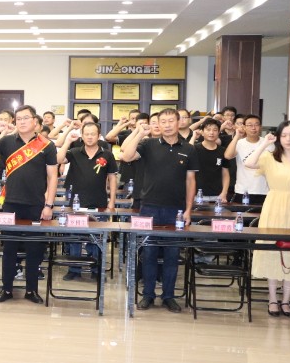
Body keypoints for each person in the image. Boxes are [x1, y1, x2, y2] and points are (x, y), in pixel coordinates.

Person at [121, 108, 198, 313]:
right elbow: (127, 157)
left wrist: (188, 210)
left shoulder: (189, 149)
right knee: (149, 253)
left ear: (178, 122)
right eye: (162, 121)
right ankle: (148, 295)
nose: (167, 125)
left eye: (171, 121)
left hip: (176, 210)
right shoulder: (148, 144)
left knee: (172, 255)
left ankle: (168, 296)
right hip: (149, 207)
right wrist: (140, 133)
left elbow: (191, 181)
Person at [0, 106, 57, 305]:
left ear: (35, 121)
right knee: (9, 249)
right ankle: (6, 289)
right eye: (18, 118)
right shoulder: (7, 141)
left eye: (25, 118)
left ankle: (31, 290)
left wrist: (49, 205)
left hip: (36, 205)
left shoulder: (46, 145)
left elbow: (52, 177)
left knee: (34, 250)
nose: (21, 121)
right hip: (11, 203)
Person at [244, 121, 290, 318]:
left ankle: (286, 300)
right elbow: (249, 163)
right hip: (274, 209)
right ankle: (272, 299)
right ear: (278, 137)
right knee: (272, 252)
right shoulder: (270, 158)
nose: (288, 139)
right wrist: (264, 143)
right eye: (284, 135)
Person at [56, 122, 117, 280]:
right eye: (87, 134)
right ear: (82, 136)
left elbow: (112, 178)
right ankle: (74, 269)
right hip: (77, 203)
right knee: (75, 238)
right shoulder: (75, 152)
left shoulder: (107, 154)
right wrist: (68, 141)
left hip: (99, 203)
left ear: (99, 136)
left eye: (93, 134)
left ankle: (96, 270)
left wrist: (111, 202)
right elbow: (58, 159)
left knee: (97, 239)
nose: (90, 137)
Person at [224, 114, 271, 204]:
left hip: (264, 190)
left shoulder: (268, 143)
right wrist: (237, 136)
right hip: (243, 190)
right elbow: (228, 156)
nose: (253, 128)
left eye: (256, 125)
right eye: (249, 125)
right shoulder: (239, 143)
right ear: (244, 127)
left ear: (260, 127)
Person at [190, 119, 229, 202]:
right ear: (202, 132)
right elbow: (187, 152)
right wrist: (193, 137)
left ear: (219, 132)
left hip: (217, 195)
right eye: (208, 130)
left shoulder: (223, 151)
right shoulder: (195, 148)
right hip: (197, 195)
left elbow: (225, 174)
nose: (211, 133)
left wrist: (224, 192)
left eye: (215, 130)